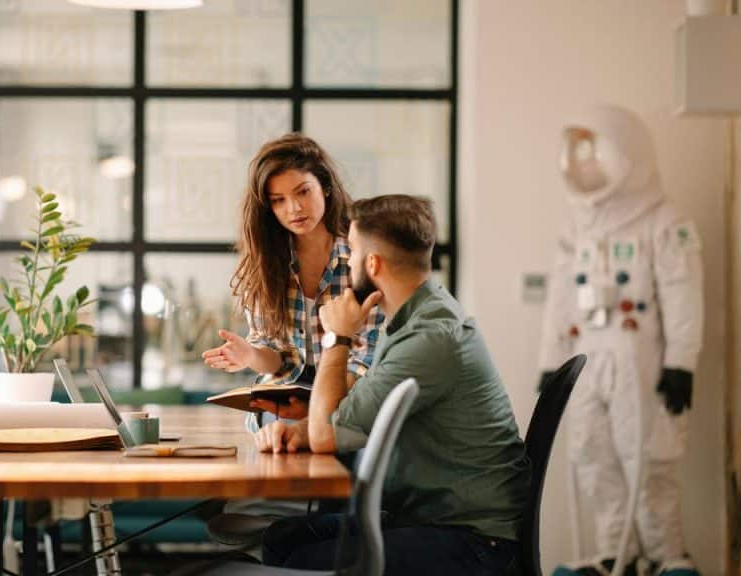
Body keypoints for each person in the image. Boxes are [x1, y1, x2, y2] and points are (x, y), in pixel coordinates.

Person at [254, 195, 530, 575]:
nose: (347, 261)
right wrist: (301, 429)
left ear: (373, 263)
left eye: (351, 250)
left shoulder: (430, 338)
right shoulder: (411, 318)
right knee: (282, 539)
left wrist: (337, 336)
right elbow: (346, 415)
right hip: (431, 518)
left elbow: (326, 436)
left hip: (475, 539)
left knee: (304, 563)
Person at [539, 105, 703, 576]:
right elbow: (561, 296)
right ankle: (618, 553)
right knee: (591, 452)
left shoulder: (663, 221)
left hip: (642, 356)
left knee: (650, 456)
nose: (586, 165)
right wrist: (552, 361)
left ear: (626, 154)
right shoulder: (577, 226)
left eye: (595, 152)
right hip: (589, 354)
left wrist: (681, 362)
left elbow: (682, 293)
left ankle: (667, 556)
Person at [202, 132, 384, 426]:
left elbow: (365, 359)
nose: (294, 208)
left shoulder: (361, 259)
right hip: (284, 401)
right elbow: (278, 360)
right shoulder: (265, 265)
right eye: (279, 200)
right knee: (275, 429)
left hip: (348, 394)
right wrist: (250, 355)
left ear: (324, 187)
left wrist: (315, 409)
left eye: (303, 192)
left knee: (293, 431)